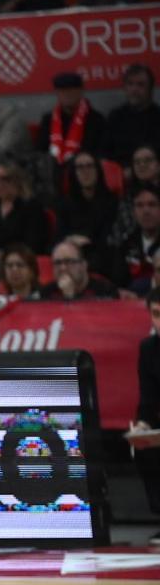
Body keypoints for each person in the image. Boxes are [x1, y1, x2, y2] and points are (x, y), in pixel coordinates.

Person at [0, 161, 51, 258]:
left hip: (22, 262)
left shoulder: (32, 208)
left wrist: (2, 255)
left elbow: (34, 245)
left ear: (17, 181)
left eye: (5, 179)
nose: (0, 184)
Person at [132, 288, 160, 546]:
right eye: (156, 315)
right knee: (145, 446)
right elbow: (148, 397)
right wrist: (143, 424)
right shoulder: (149, 348)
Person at [35, 72, 105, 165]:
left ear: (81, 91)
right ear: (56, 93)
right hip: (52, 172)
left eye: (71, 90)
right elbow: (40, 151)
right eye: (63, 90)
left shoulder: (96, 119)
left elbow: (100, 152)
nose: (67, 94)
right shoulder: (48, 120)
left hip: (84, 169)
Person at [101, 64, 160, 167]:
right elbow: (105, 153)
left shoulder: (158, 116)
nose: (134, 89)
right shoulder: (115, 117)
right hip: (120, 177)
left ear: (150, 88)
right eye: (130, 84)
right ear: (124, 87)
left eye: (140, 85)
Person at [58, 152, 119, 250]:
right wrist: (70, 240)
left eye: (89, 166)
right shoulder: (65, 204)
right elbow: (58, 237)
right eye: (80, 167)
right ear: (74, 173)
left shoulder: (112, 202)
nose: (85, 171)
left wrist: (87, 243)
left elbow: (109, 239)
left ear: (97, 170)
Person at [39, 238, 118, 301]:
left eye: (69, 261)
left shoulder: (105, 290)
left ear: (84, 265)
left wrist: (70, 297)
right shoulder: (46, 293)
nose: (63, 268)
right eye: (58, 263)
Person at [115, 183, 160, 289]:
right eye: (139, 205)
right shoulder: (125, 245)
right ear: (134, 212)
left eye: (152, 204)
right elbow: (119, 283)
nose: (146, 211)